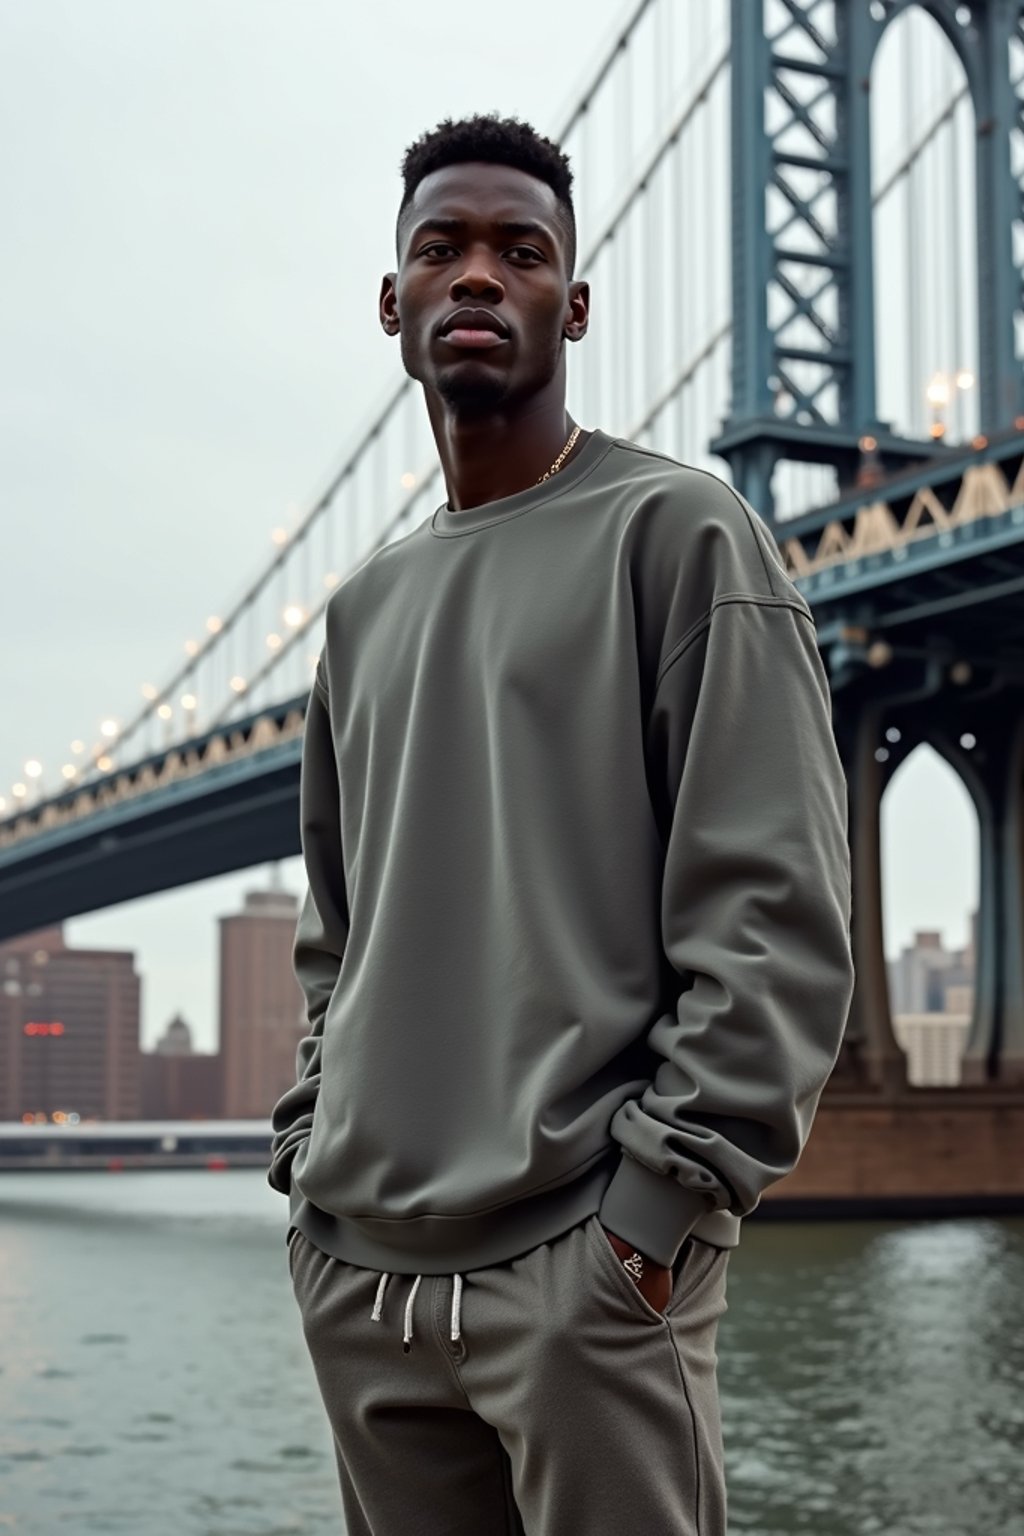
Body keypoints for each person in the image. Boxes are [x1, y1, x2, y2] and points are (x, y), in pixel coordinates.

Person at [268, 111, 855, 1536]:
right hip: (365, 1281)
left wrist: (652, 1223)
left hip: (585, 1272)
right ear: (392, 304)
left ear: (573, 305)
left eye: (519, 253)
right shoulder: (360, 615)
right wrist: (310, 1166)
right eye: (442, 250)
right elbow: (333, 937)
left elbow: (773, 917)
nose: (478, 276)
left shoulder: (684, 536)